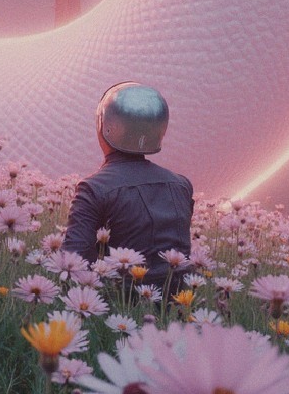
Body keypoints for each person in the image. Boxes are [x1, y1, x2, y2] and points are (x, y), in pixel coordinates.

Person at [63, 82, 194, 288]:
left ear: (104, 126)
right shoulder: (181, 186)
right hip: (176, 310)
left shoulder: (93, 188)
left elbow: (72, 263)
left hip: (118, 307)